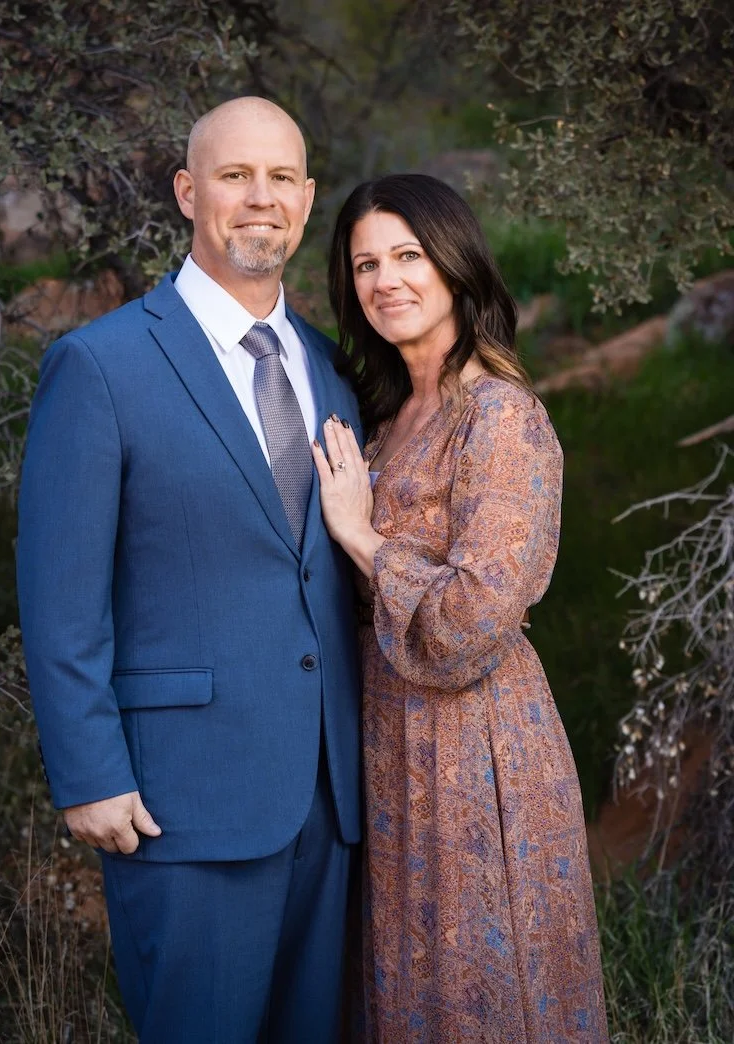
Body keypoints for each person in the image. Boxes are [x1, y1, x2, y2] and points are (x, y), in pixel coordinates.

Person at [16, 97, 363, 1044]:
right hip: (182, 807)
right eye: (234, 176)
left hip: (333, 809)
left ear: (307, 198)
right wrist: (89, 773)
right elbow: (60, 596)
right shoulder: (101, 366)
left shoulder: (334, 371)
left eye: (282, 178)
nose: (261, 199)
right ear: (186, 192)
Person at [312, 173, 608, 1042]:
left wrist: (363, 541)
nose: (386, 281)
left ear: (455, 263)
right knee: (405, 980)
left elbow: (476, 615)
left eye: (408, 255)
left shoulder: (500, 414)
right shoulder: (391, 415)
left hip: (476, 742)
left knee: (478, 979)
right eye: (366, 264)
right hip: (388, 736)